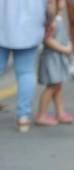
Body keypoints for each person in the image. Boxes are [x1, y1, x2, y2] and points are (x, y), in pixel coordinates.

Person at [0, 0, 53, 132]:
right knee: (26, 72)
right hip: (30, 27)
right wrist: (49, 22)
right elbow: (50, 5)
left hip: (2, 23)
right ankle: (23, 117)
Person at [36, 0, 74, 127]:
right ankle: (41, 115)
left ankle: (60, 112)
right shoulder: (51, 21)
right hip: (52, 58)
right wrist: (65, 49)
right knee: (52, 86)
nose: (63, 3)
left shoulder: (58, 18)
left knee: (58, 86)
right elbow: (48, 40)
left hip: (58, 58)